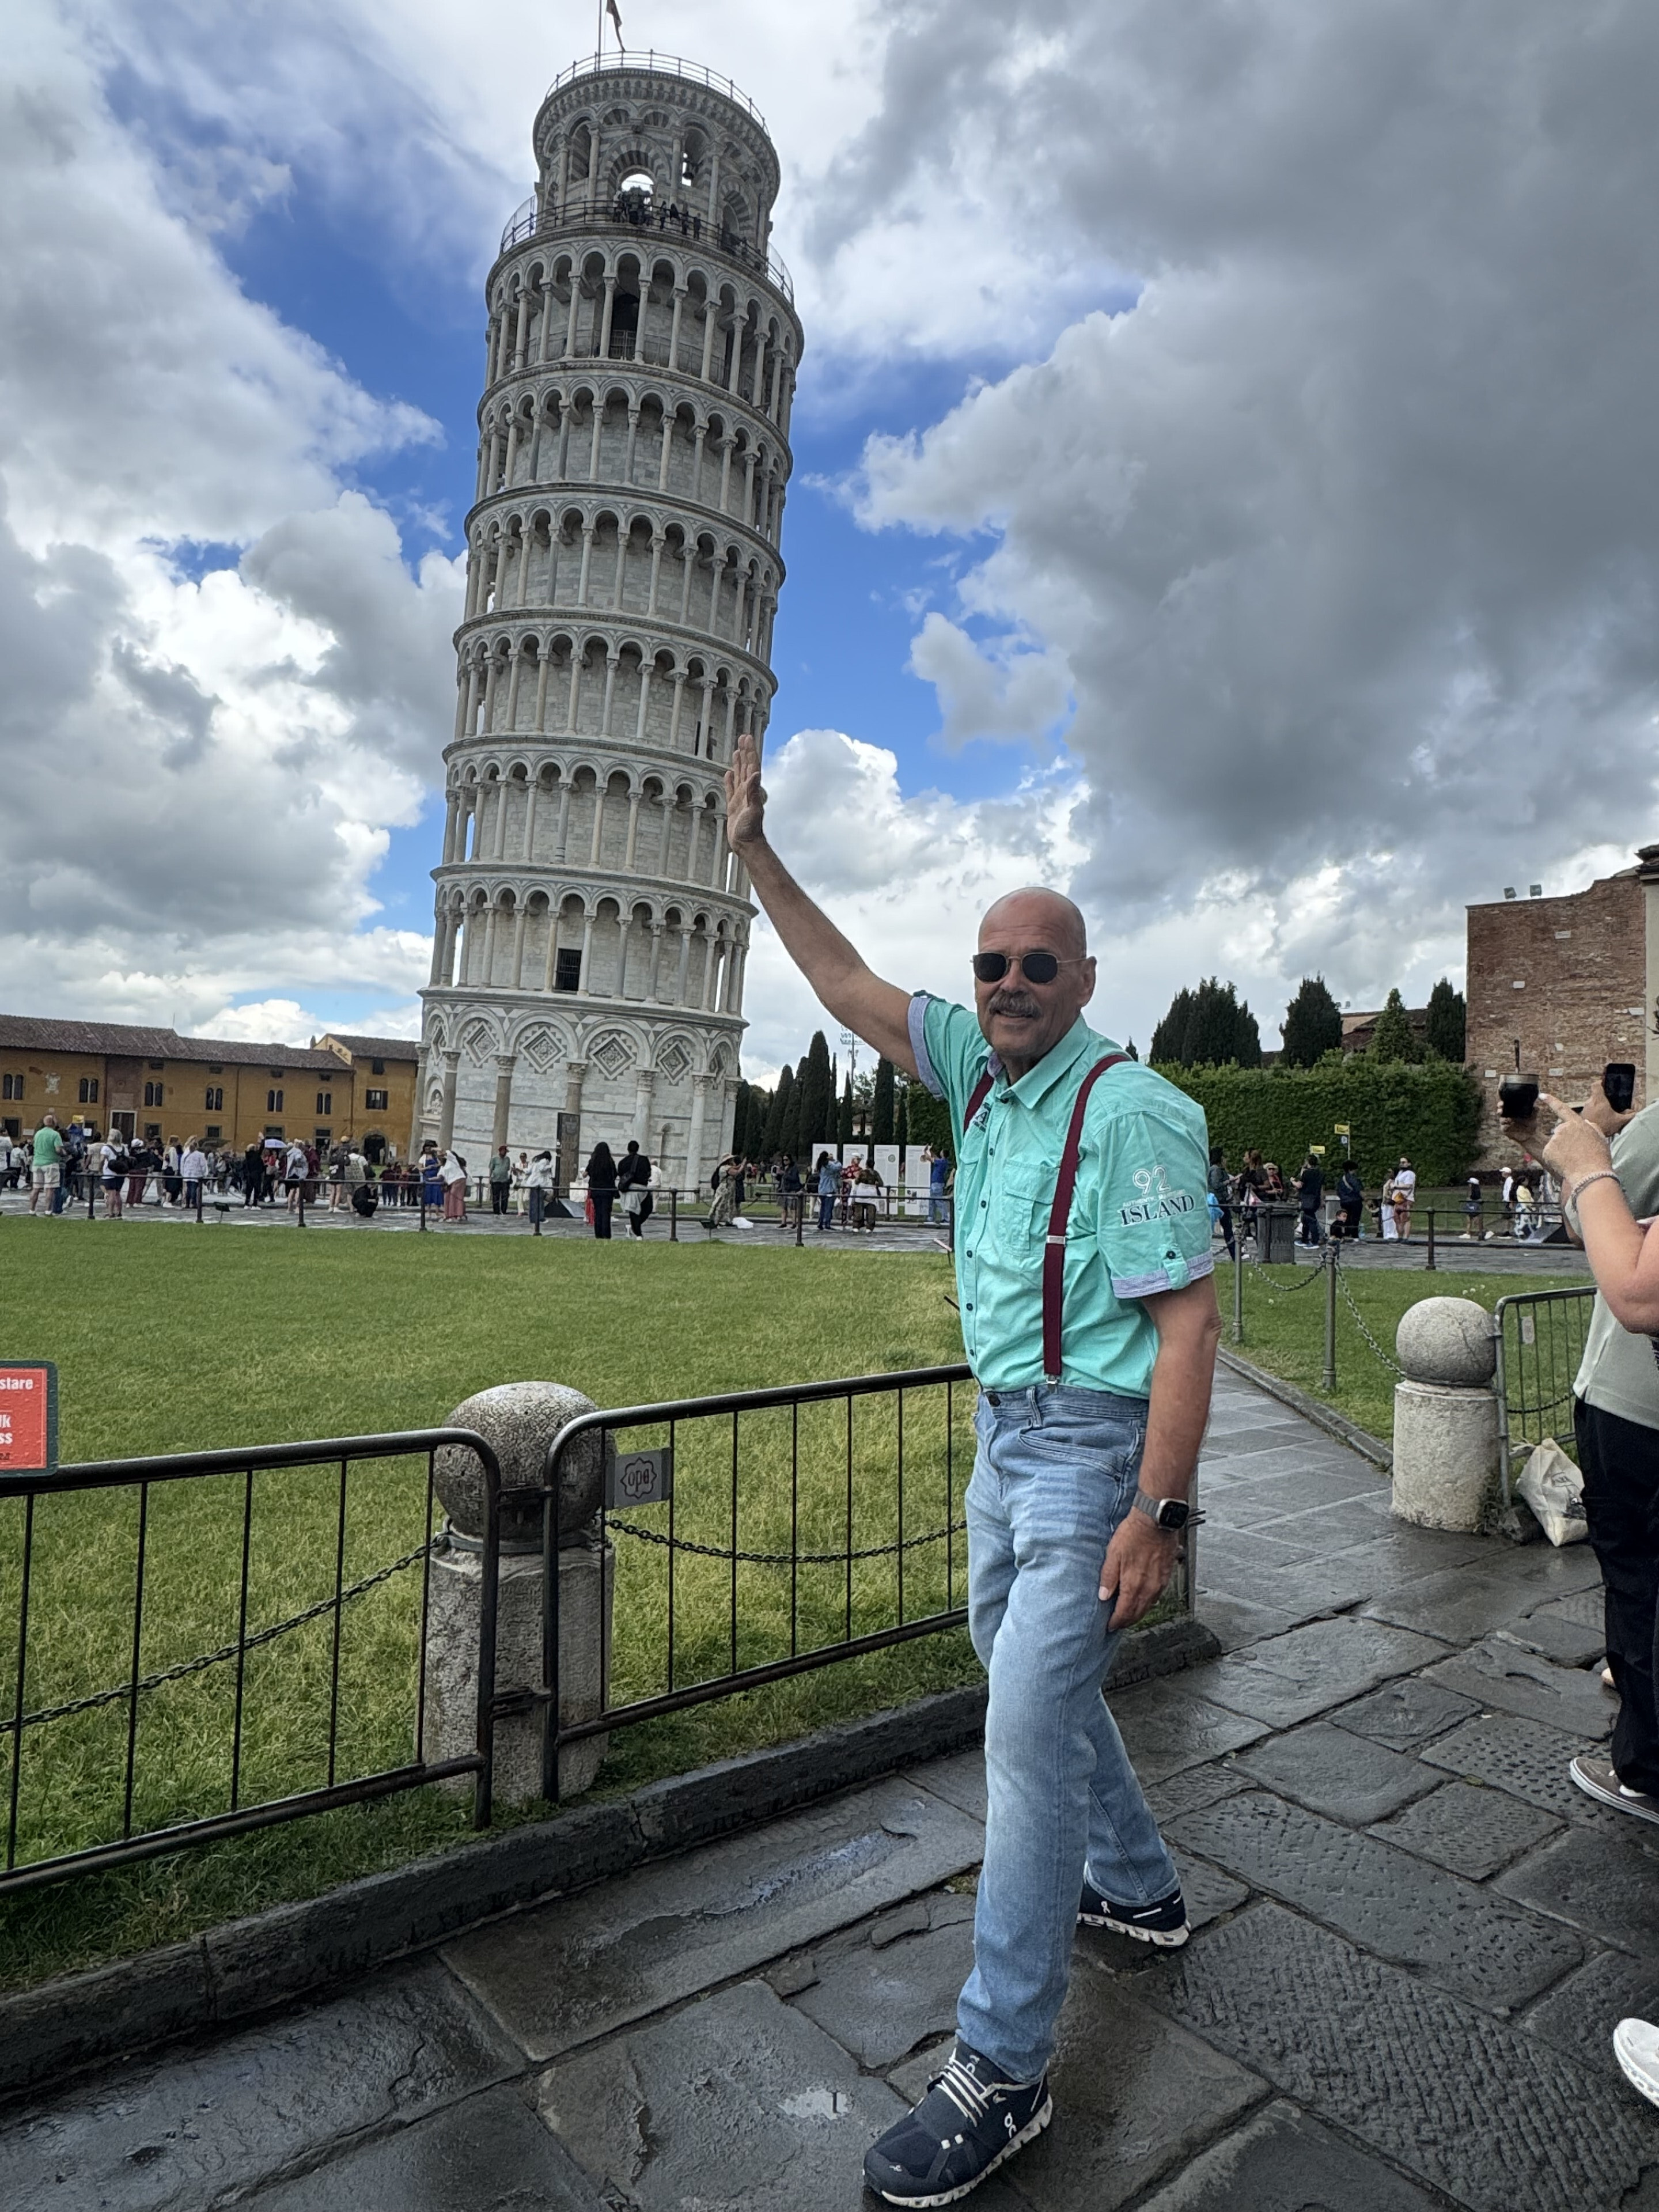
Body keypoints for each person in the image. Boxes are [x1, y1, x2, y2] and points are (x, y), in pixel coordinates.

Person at [722, 729, 1219, 2205]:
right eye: (990, 962)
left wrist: (1156, 1510)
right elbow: (842, 986)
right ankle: (1134, 1890)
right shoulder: (978, 1078)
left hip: (1087, 1452)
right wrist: (754, 849)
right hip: (1005, 1434)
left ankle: (998, 2069)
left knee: (1018, 1744)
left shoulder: (1124, 1107)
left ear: (1081, 980)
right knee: (1015, 1663)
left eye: (1034, 965)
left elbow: (1188, 1320)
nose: (1005, 982)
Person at [1511, 1079, 1659, 2107]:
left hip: (1637, 1403)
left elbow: (1634, 1285)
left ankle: (1645, 1760)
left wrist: (1584, 1161)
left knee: (1641, 1584)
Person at [27, 1113, 64, 1215]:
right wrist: (63, 1153)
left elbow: (34, 1146)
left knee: (36, 1188)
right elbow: (58, 1150)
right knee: (50, 1188)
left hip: (37, 1163)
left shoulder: (38, 1134)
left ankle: (32, 1210)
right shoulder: (55, 1134)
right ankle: (48, 1211)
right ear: (54, 1123)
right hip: (51, 1164)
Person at [618, 1139, 654, 1238]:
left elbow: (621, 1175)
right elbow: (649, 1173)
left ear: (628, 1149)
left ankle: (636, 1229)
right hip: (642, 1189)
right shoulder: (644, 1160)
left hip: (629, 1189)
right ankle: (637, 1232)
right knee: (647, 1208)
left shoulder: (623, 1162)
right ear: (638, 1149)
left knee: (633, 1212)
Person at [1206, 1147, 1236, 1259]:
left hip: (1217, 1201)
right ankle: (1234, 1253)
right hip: (1220, 1201)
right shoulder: (1216, 1170)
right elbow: (1216, 1185)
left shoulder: (1211, 1168)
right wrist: (1229, 1181)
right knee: (1228, 1228)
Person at [584, 1141, 618, 1238]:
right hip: (608, 1190)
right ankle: (606, 1234)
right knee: (606, 1213)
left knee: (597, 1213)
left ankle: (598, 1234)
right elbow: (615, 1174)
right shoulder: (610, 1162)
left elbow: (587, 1173)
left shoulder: (593, 1161)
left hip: (596, 1190)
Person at [1294, 1153, 1324, 1245]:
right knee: (1306, 1218)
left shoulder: (1307, 1173)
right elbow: (1322, 1188)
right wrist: (1322, 1199)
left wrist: (1293, 1181)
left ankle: (1315, 1239)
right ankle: (1304, 1238)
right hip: (1316, 1198)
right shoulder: (1320, 1173)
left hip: (1307, 1198)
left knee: (1311, 1219)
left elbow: (1300, 1185)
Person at [525, 1147, 555, 1232]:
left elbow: (529, 1171)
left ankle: (533, 1217)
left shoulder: (536, 1161)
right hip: (538, 1183)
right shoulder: (545, 1161)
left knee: (533, 1202)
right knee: (539, 1202)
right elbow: (542, 1169)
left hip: (532, 1183)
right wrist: (550, 1166)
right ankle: (539, 1218)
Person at [1334, 1160, 1364, 1240]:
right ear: (1351, 1170)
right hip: (1355, 1201)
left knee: (1346, 1218)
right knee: (1355, 1219)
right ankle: (1354, 1235)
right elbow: (1358, 1189)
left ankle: (1347, 1233)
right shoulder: (1354, 1179)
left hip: (1344, 1201)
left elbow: (1338, 1191)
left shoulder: (1341, 1179)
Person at [853, 1157, 884, 1232]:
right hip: (871, 1194)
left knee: (858, 1210)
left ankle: (856, 1226)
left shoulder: (862, 1172)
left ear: (866, 1164)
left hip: (861, 1193)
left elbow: (857, 1182)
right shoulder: (875, 1173)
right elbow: (881, 1183)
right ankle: (869, 1227)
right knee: (871, 1211)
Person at [1392, 1156, 1416, 1238]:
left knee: (1405, 1218)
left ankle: (1406, 1237)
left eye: (1404, 1162)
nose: (1401, 1164)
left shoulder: (1410, 1174)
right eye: (1401, 1162)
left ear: (1409, 1164)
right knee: (1397, 1218)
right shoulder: (1400, 1173)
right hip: (1398, 1198)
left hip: (1406, 1198)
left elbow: (1408, 1186)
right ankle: (1399, 1236)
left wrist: (1396, 1186)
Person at [814, 1150, 839, 1232]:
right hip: (829, 1189)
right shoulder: (828, 1165)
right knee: (829, 1207)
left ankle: (821, 1222)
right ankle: (827, 1223)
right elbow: (838, 1167)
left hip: (822, 1189)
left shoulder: (820, 1165)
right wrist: (834, 1160)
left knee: (823, 1207)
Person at [180, 1137, 207, 1210]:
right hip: (196, 1175)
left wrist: (183, 1173)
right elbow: (203, 1165)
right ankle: (193, 1203)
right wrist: (204, 1173)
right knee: (194, 1189)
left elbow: (182, 1164)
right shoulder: (200, 1155)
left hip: (187, 1174)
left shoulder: (185, 1154)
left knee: (188, 1189)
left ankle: (187, 1203)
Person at [441, 1149, 468, 1221]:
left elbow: (444, 1151)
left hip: (458, 1179)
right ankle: (449, 1214)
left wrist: (435, 1149)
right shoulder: (445, 1165)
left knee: (456, 1196)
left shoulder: (453, 1160)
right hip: (450, 1182)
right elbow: (442, 1175)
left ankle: (458, 1214)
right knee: (449, 1197)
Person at [777, 1153, 802, 1229]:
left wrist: (785, 1174)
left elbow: (794, 1178)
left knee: (793, 1207)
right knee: (783, 1207)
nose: (785, 1162)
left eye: (786, 1160)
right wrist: (778, 1174)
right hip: (784, 1189)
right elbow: (780, 1179)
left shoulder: (794, 1168)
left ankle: (794, 1222)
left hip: (792, 1189)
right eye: (784, 1160)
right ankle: (783, 1222)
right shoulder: (783, 1168)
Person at [928, 1145, 950, 1226]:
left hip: (937, 1184)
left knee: (938, 1201)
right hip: (936, 1183)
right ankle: (931, 1217)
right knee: (932, 1201)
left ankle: (945, 1218)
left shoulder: (942, 1162)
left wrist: (925, 1152)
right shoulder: (943, 1162)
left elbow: (931, 1159)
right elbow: (935, 1158)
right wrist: (931, 1151)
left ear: (943, 1154)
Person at [488, 1145, 513, 1215]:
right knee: (496, 1196)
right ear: (500, 1151)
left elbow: (508, 1169)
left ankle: (504, 1210)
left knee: (505, 1196)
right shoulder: (494, 1158)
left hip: (505, 1180)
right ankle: (496, 1211)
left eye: (506, 1151)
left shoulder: (507, 1159)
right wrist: (490, 1178)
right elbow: (491, 1168)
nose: (505, 1153)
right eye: (504, 1151)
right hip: (496, 1180)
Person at [1462, 1172, 1485, 1240]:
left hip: (1473, 1206)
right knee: (1469, 1220)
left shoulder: (1475, 1192)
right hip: (1472, 1205)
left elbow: (1474, 1198)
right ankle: (1468, 1232)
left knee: (1476, 1220)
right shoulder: (1472, 1191)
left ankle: (1482, 1232)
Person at [511, 1151, 531, 1217]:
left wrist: (521, 1170)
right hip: (520, 1182)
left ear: (526, 1157)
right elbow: (515, 1174)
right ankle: (521, 1211)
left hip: (527, 1182)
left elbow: (529, 1172)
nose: (523, 1159)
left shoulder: (529, 1164)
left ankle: (528, 1209)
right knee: (520, 1197)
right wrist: (514, 1171)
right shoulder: (517, 1164)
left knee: (526, 1198)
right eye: (521, 1157)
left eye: (524, 1157)